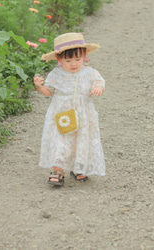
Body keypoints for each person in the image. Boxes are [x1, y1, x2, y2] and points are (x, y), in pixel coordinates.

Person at [34, 32, 105, 186]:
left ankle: (79, 167)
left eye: (78, 59)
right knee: (60, 140)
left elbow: (99, 82)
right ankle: (58, 171)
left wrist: (98, 88)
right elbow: (49, 91)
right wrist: (40, 87)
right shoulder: (56, 74)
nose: (74, 64)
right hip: (61, 115)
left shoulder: (89, 73)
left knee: (81, 140)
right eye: (68, 60)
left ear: (85, 56)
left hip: (83, 116)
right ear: (59, 59)